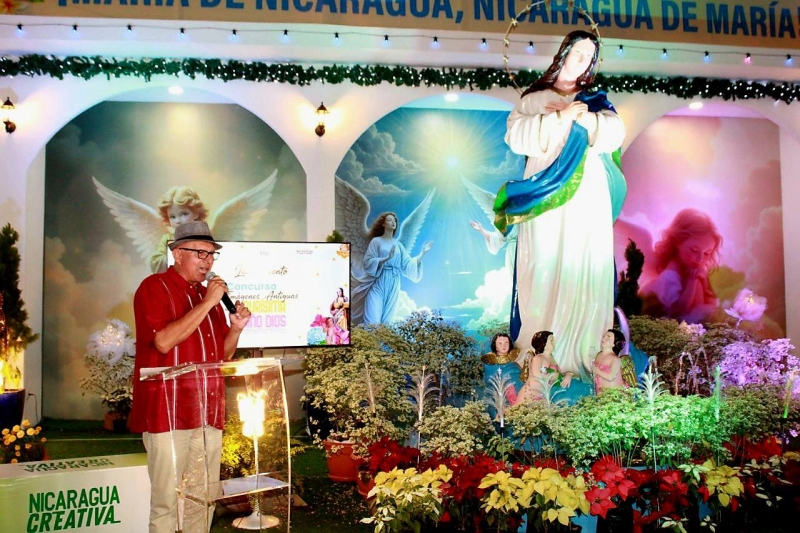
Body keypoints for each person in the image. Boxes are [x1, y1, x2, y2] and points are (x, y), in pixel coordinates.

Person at [494, 30, 627, 380]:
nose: (583, 61)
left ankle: (585, 348)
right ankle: (541, 346)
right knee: (545, 257)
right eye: (578, 53)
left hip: (587, 187)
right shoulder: (536, 98)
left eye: (589, 56)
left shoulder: (595, 99)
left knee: (585, 257)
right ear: (564, 53)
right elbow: (516, 136)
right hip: (547, 185)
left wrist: (589, 120)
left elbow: (615, 132)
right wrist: (560, 118)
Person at [129, 220, 252, 533]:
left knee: (204, 498)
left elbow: (222, 354)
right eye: (200, 253)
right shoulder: (154, 287)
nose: (207, 261)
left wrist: (236, 328)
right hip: (168, 413)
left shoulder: (205, 296)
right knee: (166, 502)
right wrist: (209, 302)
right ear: (177, 254)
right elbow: (163, 341)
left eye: (211, 254)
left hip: (208, 410)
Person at [641, 208, 722, 324]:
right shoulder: (669, 275)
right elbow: (680, 309)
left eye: (707, 253)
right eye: (694, 250)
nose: (700, 259)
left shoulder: (693, 269)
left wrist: (704, 281)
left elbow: (712, 304)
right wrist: (692, 282)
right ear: (678, 241)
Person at [357, 212, 433, 324]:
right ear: (383, 224)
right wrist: (386, 258)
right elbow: (367, 262)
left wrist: (422, 253)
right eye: (389, 220)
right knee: (373, 320)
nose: (393, 222)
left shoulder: (398, 245)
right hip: (379, 281)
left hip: (394, 283)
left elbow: (407, 264)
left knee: (388, 321)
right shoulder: (376, 241)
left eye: (394, 221)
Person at [149, 186, 209, 274]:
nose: (178, 221)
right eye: (172, 217)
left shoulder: (204, 237)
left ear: (196, 213)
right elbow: (155, 262)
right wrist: (174, 257)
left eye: (184, 214)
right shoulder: (167, 239)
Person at [514, 331, 574, 404]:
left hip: (546, 392)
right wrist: (552, 376)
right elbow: (537, 374)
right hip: (534, 393)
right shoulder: (538, 358)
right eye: (551, 341)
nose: (554, 343)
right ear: (544, 344)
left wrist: (568, 374)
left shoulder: (551, 357)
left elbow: (559, 374)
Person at [482, 333, 526, 404]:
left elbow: (520, 379)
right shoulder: (492, 366)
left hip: (518, 397)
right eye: (500, 343)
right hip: (501, 399)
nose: (504, 345)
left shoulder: (514, 365)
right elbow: (491, 379)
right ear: (496, 347)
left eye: (506, 343)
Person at [592, 329, 637, 393]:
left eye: (608, 337)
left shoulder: (615, 359)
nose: (604, 338)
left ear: (614, 343)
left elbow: (611, 377)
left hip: (614, 394)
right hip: (601, 392)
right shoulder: (599, 355)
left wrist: (597, 371)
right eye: (604, 336)